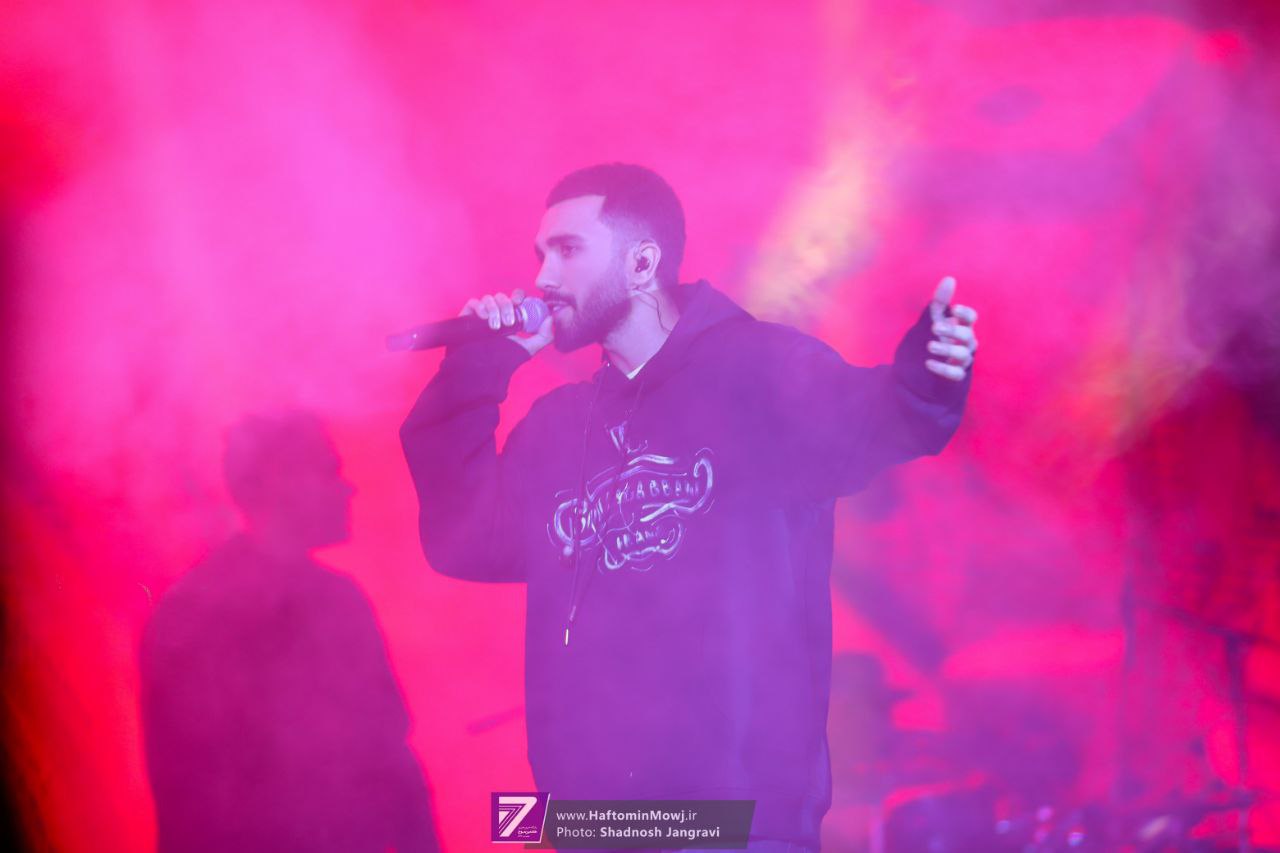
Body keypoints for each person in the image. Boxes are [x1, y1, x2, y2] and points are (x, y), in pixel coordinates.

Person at [400, 163, 978, 851]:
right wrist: (478, 365)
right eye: (540, 254)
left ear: (642, 263)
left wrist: (928, 377)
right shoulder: (557, 427)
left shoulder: (757, 371)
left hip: (732, 824)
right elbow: (463, 539)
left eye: (568, 249)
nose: (543, 277)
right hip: (589, 827)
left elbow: (881, 418)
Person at [141, 411, 441, 853]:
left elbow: (393, 762)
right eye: (330, 470)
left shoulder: (340, 600)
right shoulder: (195, 617)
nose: (348, 488)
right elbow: (193, 798)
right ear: (280, 480)